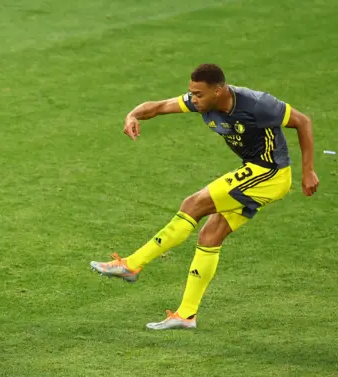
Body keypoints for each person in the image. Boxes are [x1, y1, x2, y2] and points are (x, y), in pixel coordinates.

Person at [90, 63, 319, 330]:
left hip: (270, 173)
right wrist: (132, 115)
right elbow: (159, 106)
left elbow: (303, 121)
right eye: (192, 93)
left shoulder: (258, 105)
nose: (193, 99)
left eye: (198, 94)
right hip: (254, 171)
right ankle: (186, 315)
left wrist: (308, 172)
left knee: (193, 204)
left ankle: (131, 264)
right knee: (210, 236)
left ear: (219, 91)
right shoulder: (203, 103)